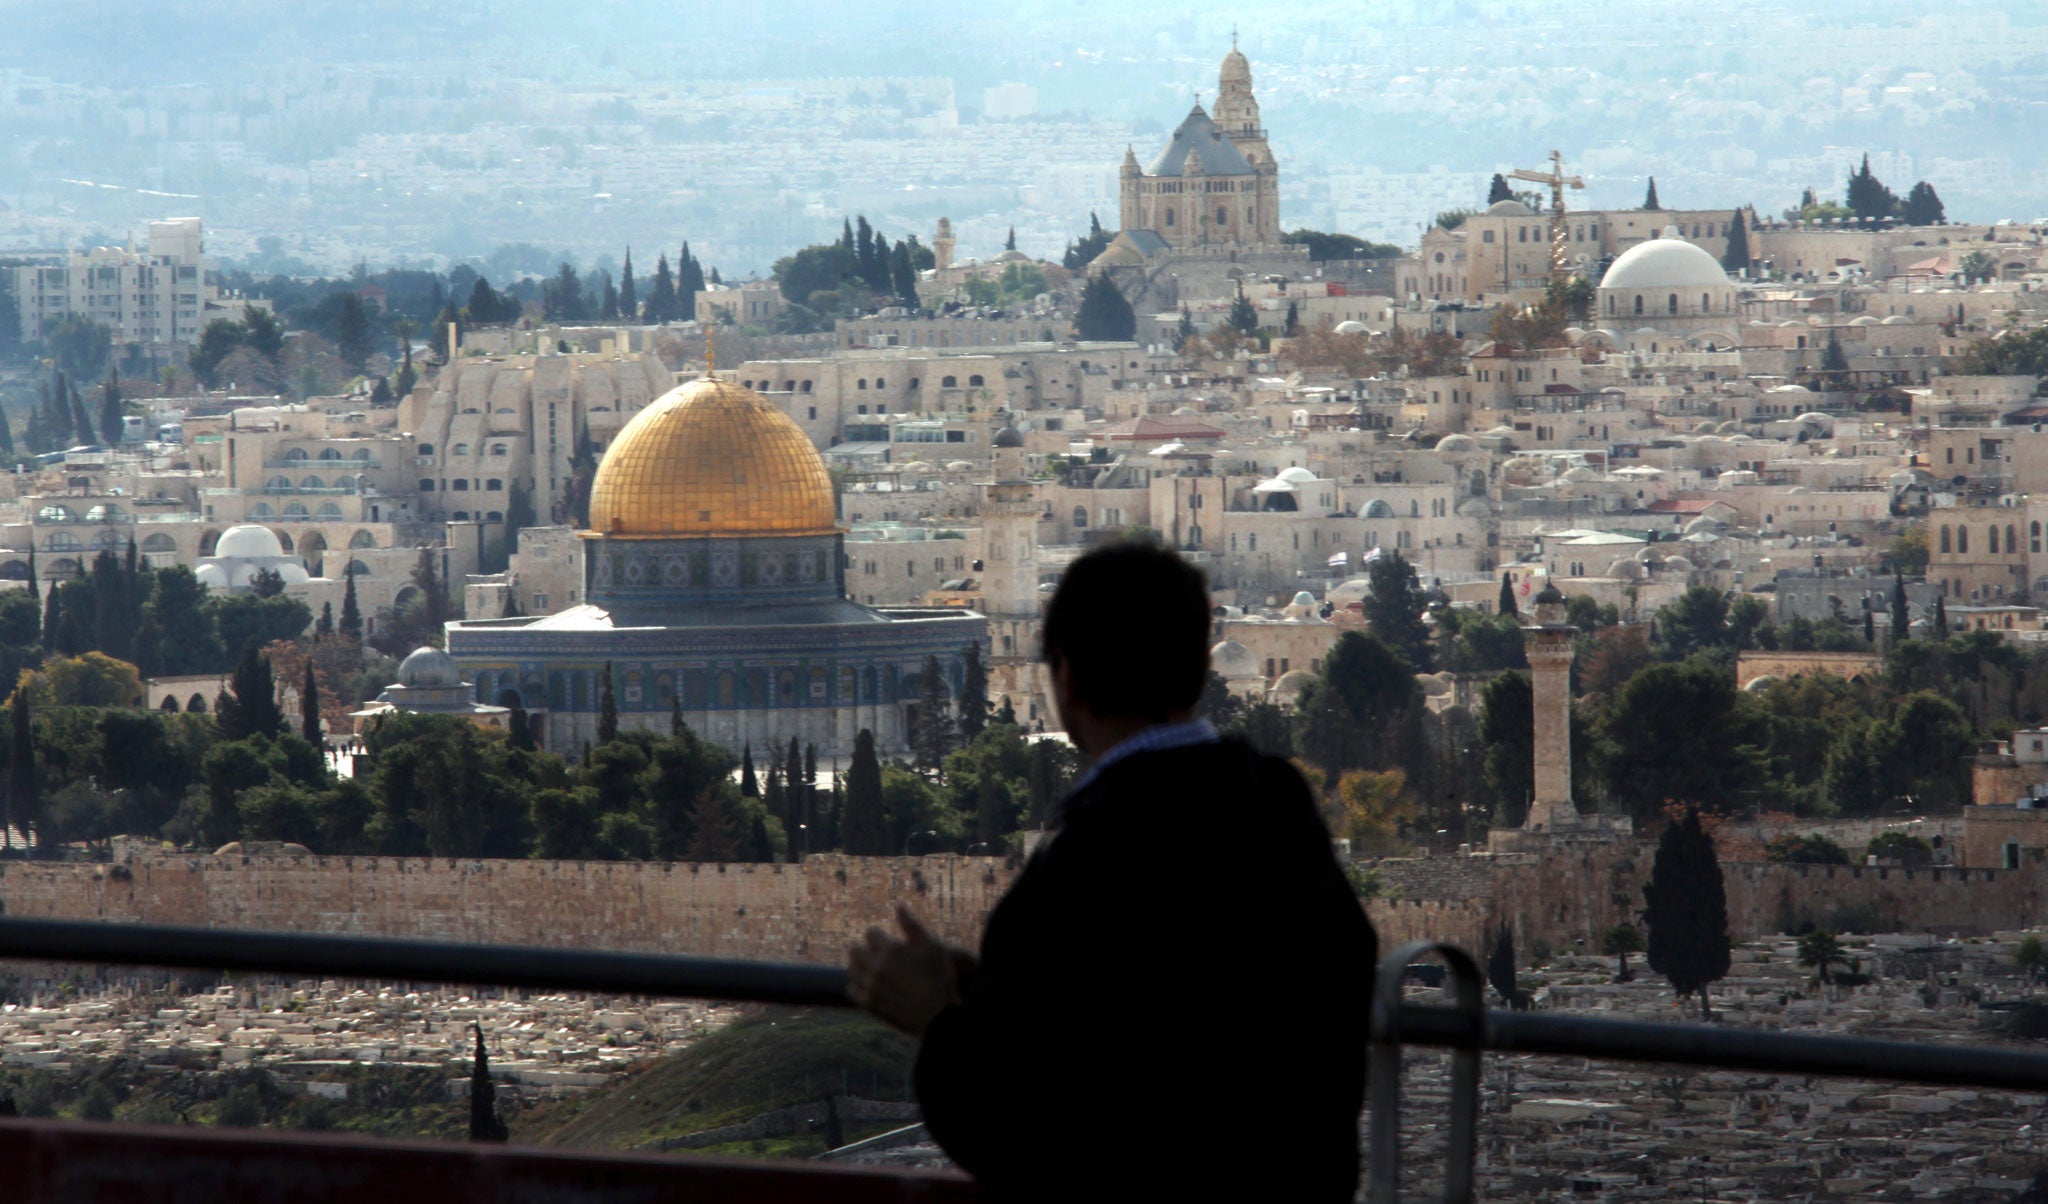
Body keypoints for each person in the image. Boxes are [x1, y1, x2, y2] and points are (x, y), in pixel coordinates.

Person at [848, 540, 1376, 1201]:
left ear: (1065, 680)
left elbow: (1028, 1134)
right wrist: (991, 991)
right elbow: (1201, 1011)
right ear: (1197, 664)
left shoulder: (1091, 854)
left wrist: (935, 1018)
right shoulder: (1277, 806)